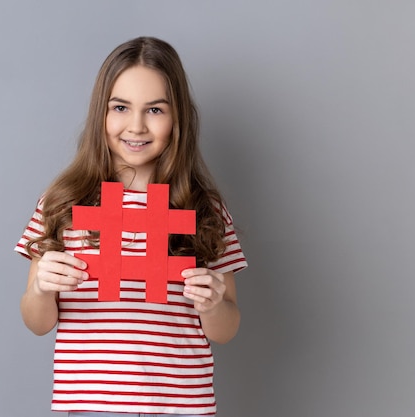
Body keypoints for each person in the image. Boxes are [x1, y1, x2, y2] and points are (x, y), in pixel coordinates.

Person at [15, 36, 247, 417]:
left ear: (178, 119)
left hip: (180, 405)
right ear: (100, 114)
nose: (136, 126)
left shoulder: (204, 209)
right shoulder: (63, 204)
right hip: (94, 405)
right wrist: (41, 289)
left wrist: (213, 303)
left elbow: (226, 328)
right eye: (120, 107)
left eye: (155, 110)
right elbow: (37, 323)